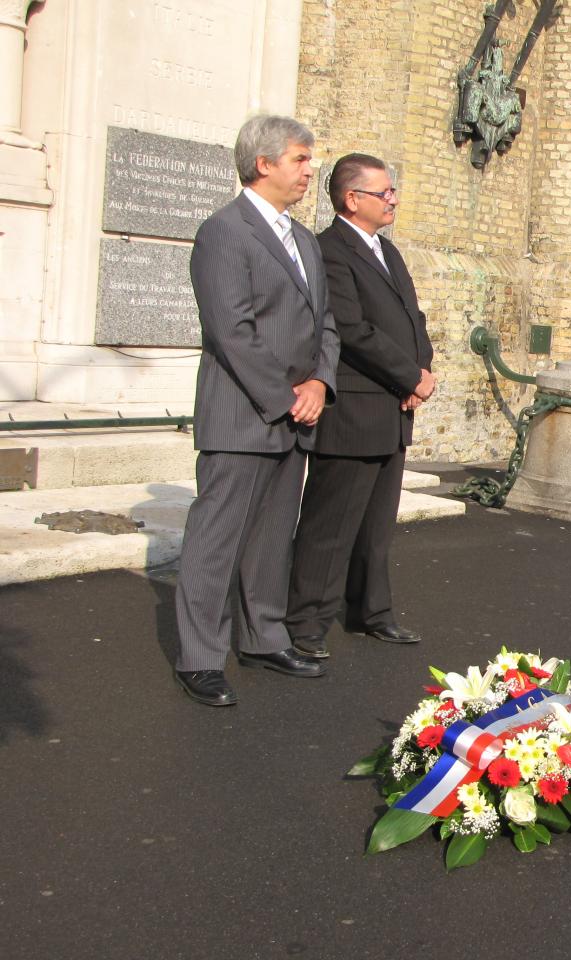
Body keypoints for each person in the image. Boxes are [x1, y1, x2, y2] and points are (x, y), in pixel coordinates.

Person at [173, 115, 340, 706]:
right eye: (300, 158)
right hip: (246, 415)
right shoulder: (224, 231)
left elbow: (325, 322)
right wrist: (287, 396)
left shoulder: (304, 239)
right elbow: (231, 332)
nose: (309, 168)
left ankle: (263, 637)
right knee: (216, 540)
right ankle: (199, 656)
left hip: (296, 415)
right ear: (263, 163)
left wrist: (320, 381)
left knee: (272, 539)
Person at [285, 154, 435, 660]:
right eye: (384, 192)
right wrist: (409, 375)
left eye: (392, 191)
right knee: (331, 525)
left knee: (376, 525)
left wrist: (422, 371)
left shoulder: (387, 253)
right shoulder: (330, 250)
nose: (392, 199)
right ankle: (306, 621)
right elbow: (350, 330)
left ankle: (371, 610)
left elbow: (411, 318)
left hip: (393, 408)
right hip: (353, 411)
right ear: (353, 199)